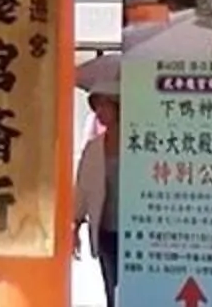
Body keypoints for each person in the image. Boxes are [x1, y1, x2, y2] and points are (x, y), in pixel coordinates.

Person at [74, 58, 123, 306]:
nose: (100, 112)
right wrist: (75, 224)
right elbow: (82, 189)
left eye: (106, 105)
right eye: (97, 106)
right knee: (111, 288)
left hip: (137, 230)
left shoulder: (139, 144)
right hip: (105, 230)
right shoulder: (94, 148)